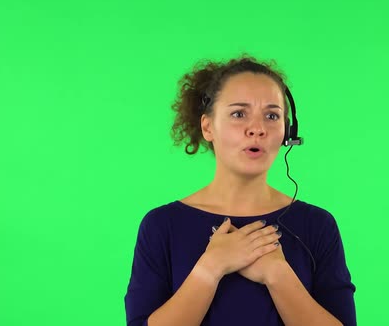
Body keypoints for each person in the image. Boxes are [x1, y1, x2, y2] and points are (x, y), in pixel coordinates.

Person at [124, 54, 356, 326]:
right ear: (208, 127)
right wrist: (210, 268)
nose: (257, 129)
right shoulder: (162, 226)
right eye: (238, 114)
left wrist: (277, 274)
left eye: (271, 116)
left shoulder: (317, 226)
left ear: (287, 132)